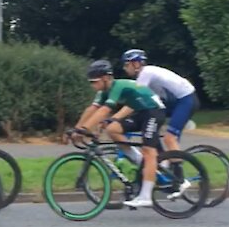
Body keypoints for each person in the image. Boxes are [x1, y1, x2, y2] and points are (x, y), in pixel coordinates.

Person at [74, 59, 169, 209]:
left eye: (95, 82)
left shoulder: (117, 86)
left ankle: (145, 197)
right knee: (113, 129)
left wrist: (85, 129)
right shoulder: (103, 91)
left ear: (106, 78)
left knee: (149, 151)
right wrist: (77, 128)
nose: (93, 86)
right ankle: (138, 160)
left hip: (154, 112)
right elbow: (92, 109)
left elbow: (104, 111)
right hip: (140, 112)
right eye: (90, 82)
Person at [120, 49, 198, 153]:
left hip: (186, 100)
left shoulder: (146, 73)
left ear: (136, 63)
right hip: (172, 102)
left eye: (126, 65)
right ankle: (161, 160)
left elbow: (135, 100)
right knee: (148, 126)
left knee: (169, 138)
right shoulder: (145, 77)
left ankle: (176, 168)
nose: (124, 68)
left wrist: (116, 117)